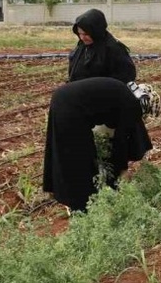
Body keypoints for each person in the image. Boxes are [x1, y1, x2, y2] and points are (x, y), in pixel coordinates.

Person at [43, 77, 152, 212]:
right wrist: (122, 170)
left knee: (62, 148)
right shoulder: (131, 106)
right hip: (72, 108)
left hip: (61, 98)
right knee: (79, 156)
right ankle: (81, 207)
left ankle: (62, 193)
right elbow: (120, 140)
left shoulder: (125, 92)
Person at [68, 8, 136, 83]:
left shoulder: (113, 50)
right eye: (79, 33)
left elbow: (126, 76)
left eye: (86, 34)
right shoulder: (82, 47)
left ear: (96, 32)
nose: (82, 37)